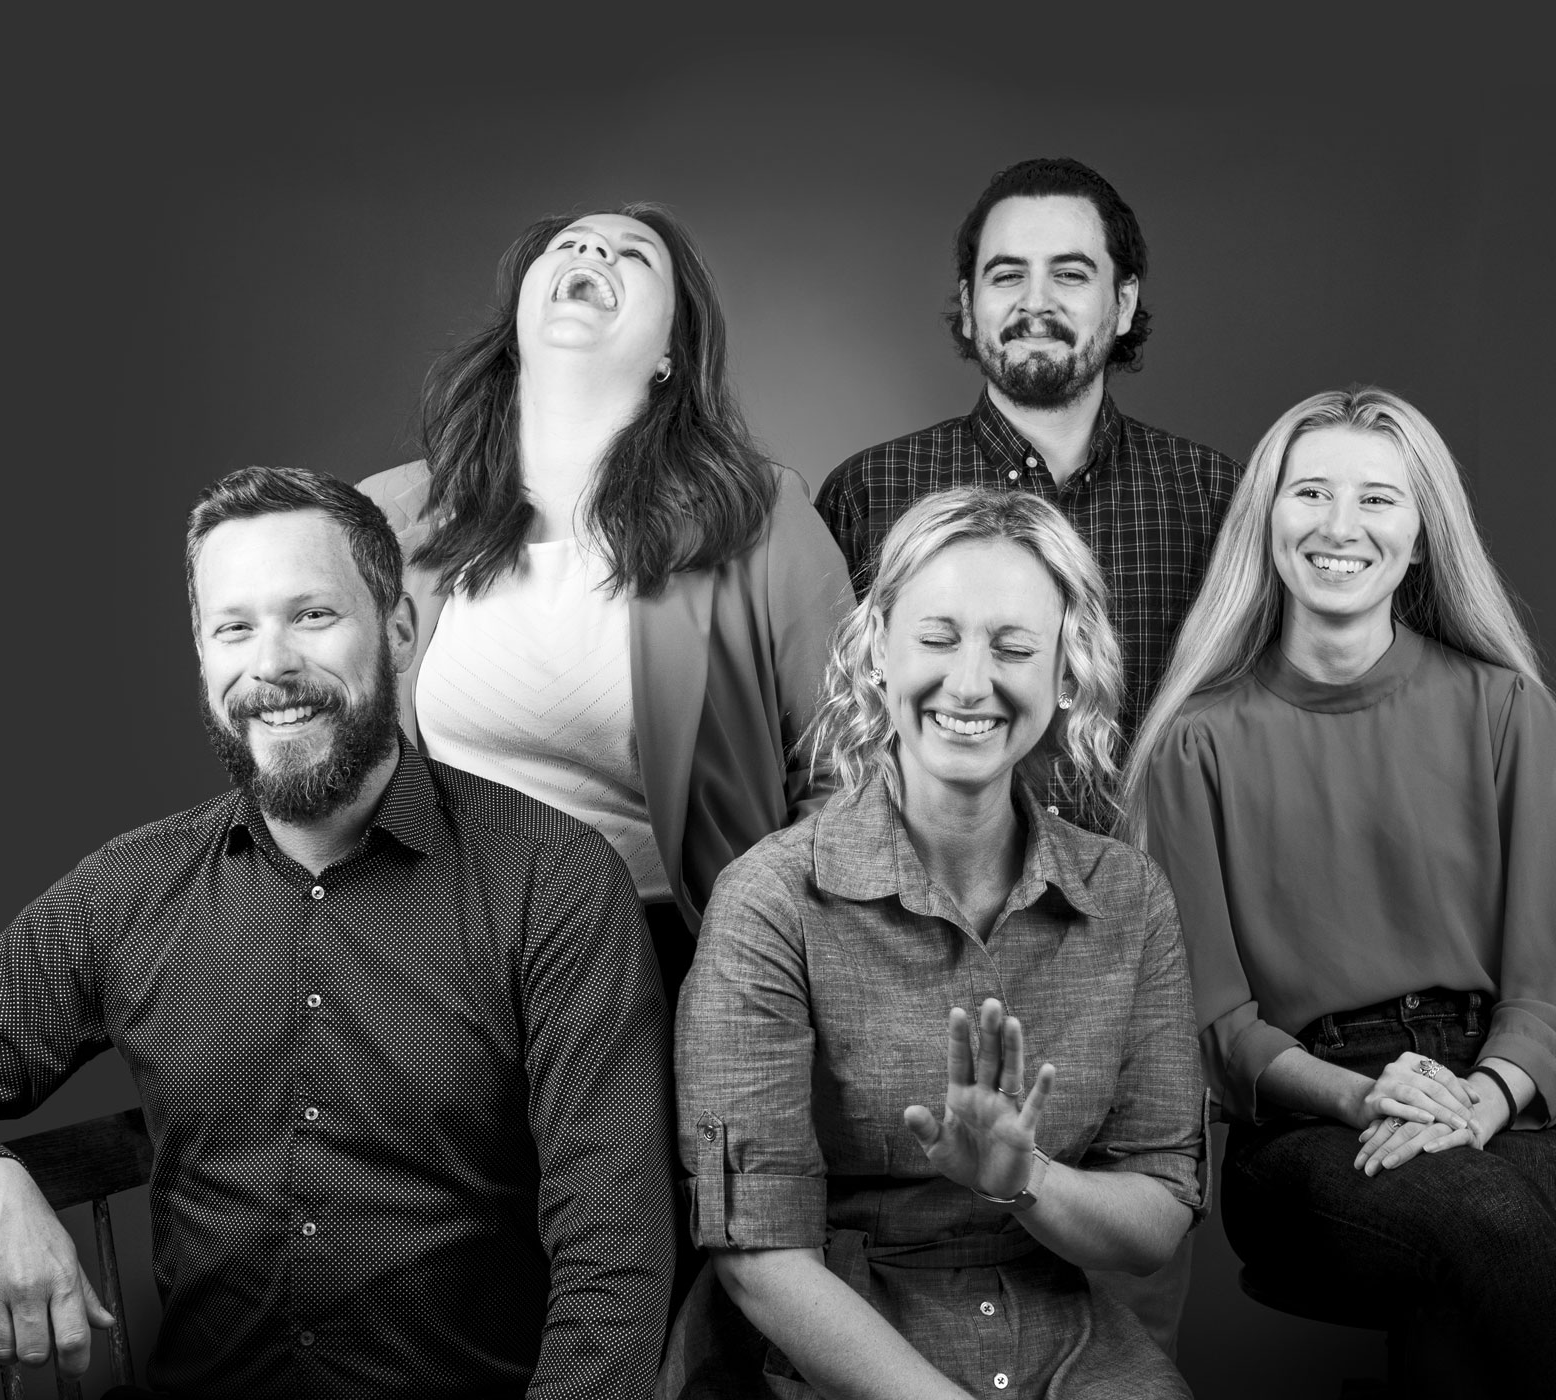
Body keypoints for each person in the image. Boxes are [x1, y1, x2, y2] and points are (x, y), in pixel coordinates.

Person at [0, 467, 675, 1400]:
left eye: (312, 616)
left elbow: (616, 1270)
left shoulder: (554, 882)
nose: (270, 665)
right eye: (235, 628)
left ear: (398, 631)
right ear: (202, 655)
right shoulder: (130, 890)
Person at [675, 487, 1207, 1399]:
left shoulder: (1131, 898)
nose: (970, 682)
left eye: (1013, 648)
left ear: (1064, 674)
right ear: (877, 651)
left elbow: (1157, 1216)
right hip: (825, 1348)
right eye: (937, 637)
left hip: (1068, 1339)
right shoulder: (769, 900)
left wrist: (1025, 1178)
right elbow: (759, 1253)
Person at [1123, 386, 1556, 1394]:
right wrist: (1367, 1095)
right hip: (1305, 1118)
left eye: (1376, 500)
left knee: (1487, 1242)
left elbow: (1542, 983)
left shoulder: (1505, 709)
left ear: (1417, 541)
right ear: (1264, 522)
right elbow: (1215, 1025)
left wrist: (1477, 1101)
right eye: (1307, 491)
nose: (1336, 526)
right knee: (1487, 1223)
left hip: (1491, 1083)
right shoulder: (1194, 742)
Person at [359, 202, 854, 1004]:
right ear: (519, 320)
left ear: (669, 352)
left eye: (636, 254)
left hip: (671, 961)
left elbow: (850, 766)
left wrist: (766, 946)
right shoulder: (388, 519)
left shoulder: (760, 517)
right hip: (438, 959)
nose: (593, 247)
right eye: (570, 243)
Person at [815, 157, 1241, 829]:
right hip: (922, 917)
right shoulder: (869, 492)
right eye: (1007, 274)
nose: (1035, 302)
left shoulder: (1213, 498)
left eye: (1070, 275)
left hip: (1150, 912)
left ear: (1123, 303)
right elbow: (827, 737)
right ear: (967, 301)